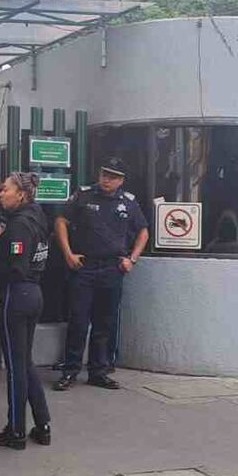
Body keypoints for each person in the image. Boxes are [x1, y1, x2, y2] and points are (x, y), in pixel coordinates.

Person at [54, 157, 149, 391]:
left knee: (104, 323)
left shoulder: (128, 202)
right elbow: (60, 221)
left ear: (121, 180)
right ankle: (70, 371)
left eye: (113, 176)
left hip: (112, 269)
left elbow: (143, 231)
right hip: (84, 267)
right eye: (104, 174)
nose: (107, 179)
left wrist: (132, 259)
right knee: (78, 321)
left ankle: (99, 371)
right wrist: (68, 254)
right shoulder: (84, 195)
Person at [0, 172, 51, 450]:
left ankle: (15, 431)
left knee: (15, 366)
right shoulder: (37, 216)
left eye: (5, 190)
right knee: (24, 362)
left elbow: (16, 267)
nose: (0, 194)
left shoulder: (20, 225)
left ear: (21, 195)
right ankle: (43, 423)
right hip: (33, 293)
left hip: (17, 294)